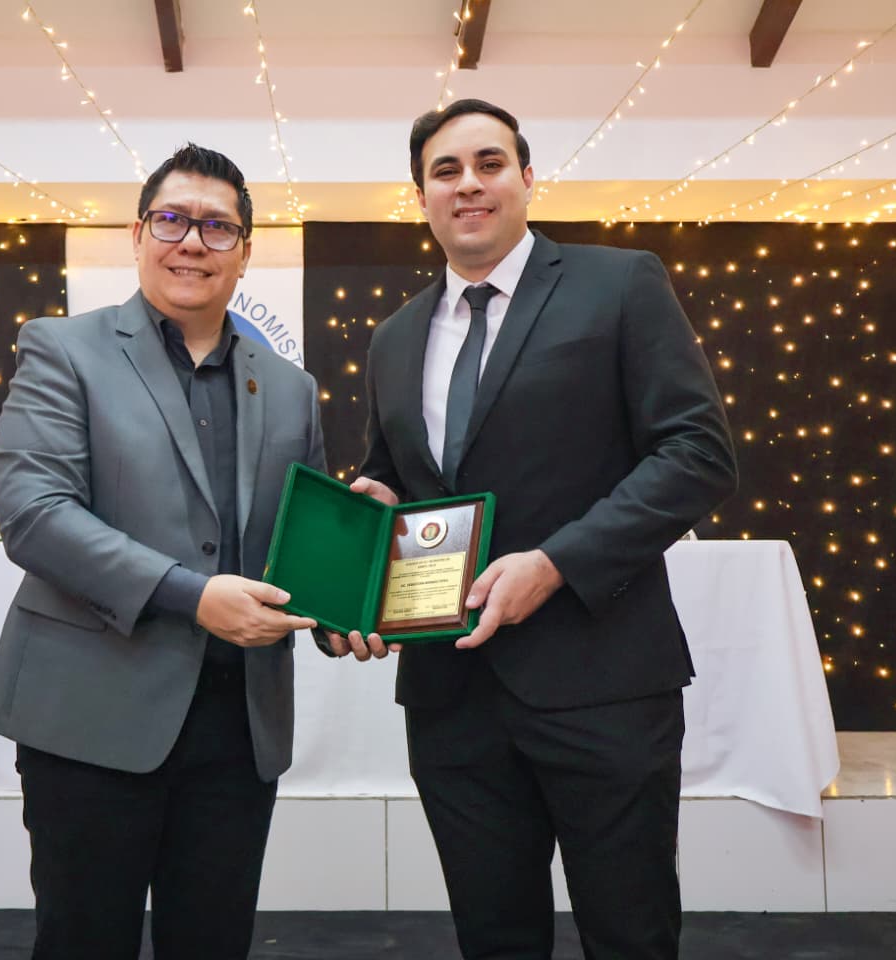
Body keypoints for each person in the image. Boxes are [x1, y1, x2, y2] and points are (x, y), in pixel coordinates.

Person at [325, 100, 737, 959]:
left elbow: (697, 454)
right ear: (421, 197)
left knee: (630, 934)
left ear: (526, 178)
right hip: (452, 699)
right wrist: (366, 526)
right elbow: (398, 479)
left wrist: (554, 563)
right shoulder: (394, 337)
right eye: (445, 171)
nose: (468, 184)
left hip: (603, 681)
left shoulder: (619, 283)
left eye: (489, 163)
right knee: (493, 938)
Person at [0, 143, 325, 960]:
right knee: (83, 941)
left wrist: (354, 593)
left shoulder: (292, 389)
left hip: (238, 728)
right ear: (137, 235)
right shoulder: (63, 348)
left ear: (246, 251)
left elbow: (296, 542)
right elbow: (34, 514)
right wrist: (191, 595)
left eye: (217, 227)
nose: (192, 242)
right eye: (172, 220)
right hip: (91, 714)